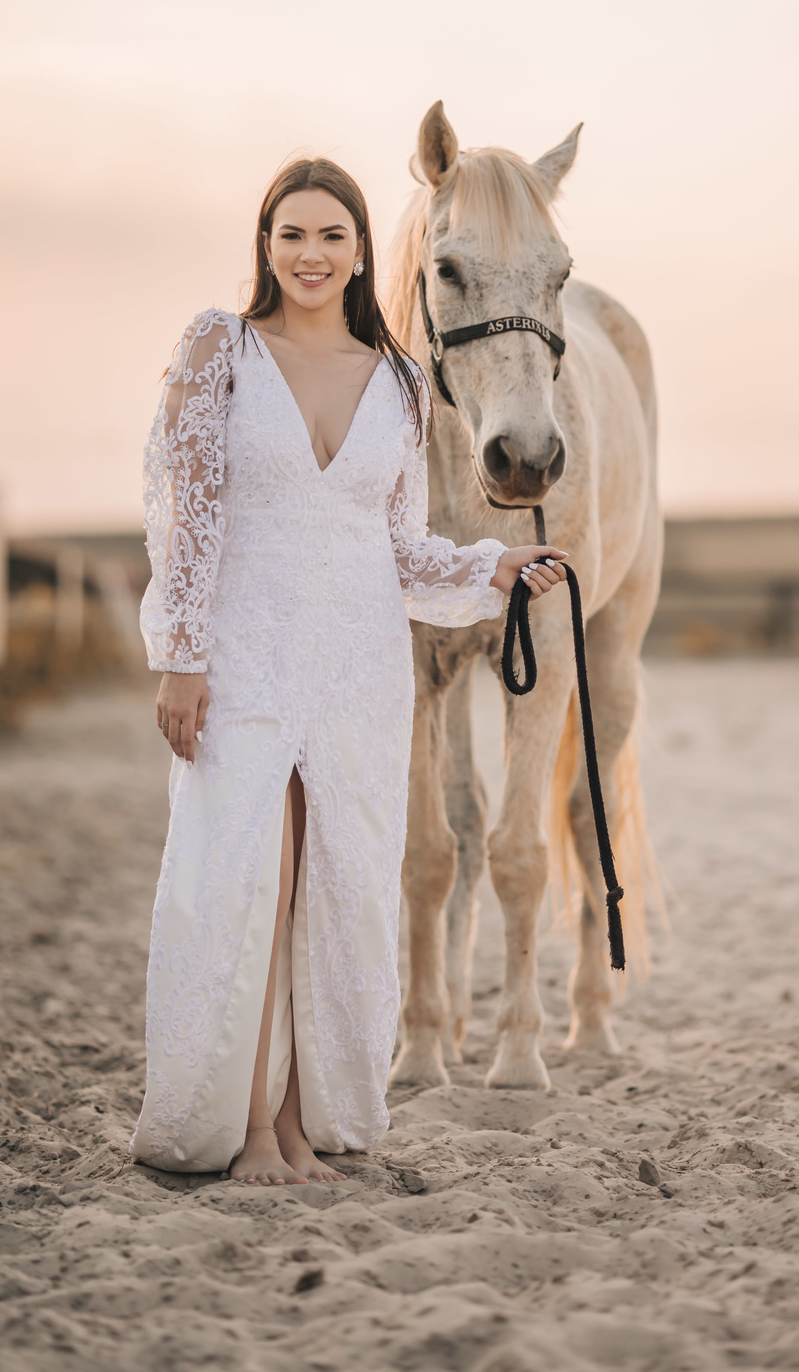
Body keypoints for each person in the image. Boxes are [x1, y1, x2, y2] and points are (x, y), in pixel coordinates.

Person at [131, 157, 567, 1186]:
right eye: (292, 235)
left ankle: (294, 1128)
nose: (311, 255)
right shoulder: (217, 348)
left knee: (332, 890)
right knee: (251, 886)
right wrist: (181, 659)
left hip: (357, 664)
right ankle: (244, 1133)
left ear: (363, 250)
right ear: (264, 245)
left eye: (332, 236)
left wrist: (489, 567)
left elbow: (399, 549)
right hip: (245, 657)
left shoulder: (403, 380)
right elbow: (184, 514)